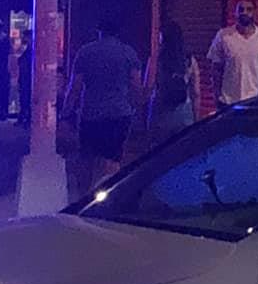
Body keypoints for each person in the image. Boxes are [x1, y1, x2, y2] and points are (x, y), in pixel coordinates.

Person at [63, 15, 140, 190]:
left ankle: (83, 196)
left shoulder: (86, 52)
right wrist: (138, 109)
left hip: (91, 113)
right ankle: (108, 195)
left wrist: (66, 113)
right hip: (120, 113)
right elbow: (136, 85)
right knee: (113, 158)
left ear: (99, 31)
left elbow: (75, 86)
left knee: (86, 158)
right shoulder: (128, 52)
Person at [143, 19, 199, 145]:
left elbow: (149, 86)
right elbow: (196, 92)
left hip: (160, 112)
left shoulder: (156, 59)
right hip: (184, 113)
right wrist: (196, 118)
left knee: (158, 154)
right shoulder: (189, 60)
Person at [204, 0, 258, 107]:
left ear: (255, 12)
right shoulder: (223, 36)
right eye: (241, 9)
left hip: (255, 100)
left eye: (249, 9)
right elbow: (216, 69)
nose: (244, 13)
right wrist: (217, 96)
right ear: (235, 13)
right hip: (229, 101)